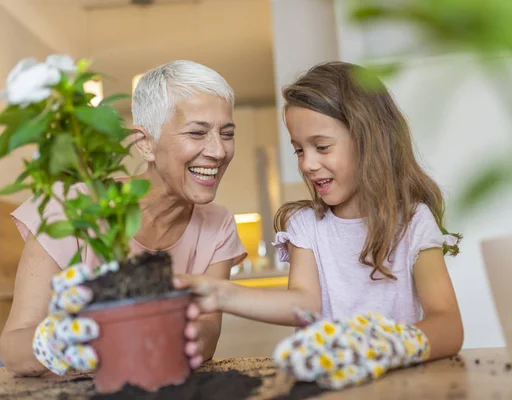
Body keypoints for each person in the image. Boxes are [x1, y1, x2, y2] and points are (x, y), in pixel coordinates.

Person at [175, 61, 464, 388]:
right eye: (299, 150)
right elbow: (304, 304)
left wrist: (381, 348)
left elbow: (449, 325)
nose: (308, 164)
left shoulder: (413, 222)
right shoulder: (305, 226)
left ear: (370, 139)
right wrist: (220, 293)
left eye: (321, 147)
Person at [0, 60, 247, 376]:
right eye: (197, 132)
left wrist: (186, 338)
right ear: (145, 144)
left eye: (227, 133)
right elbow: (14, 348)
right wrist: (72, 340)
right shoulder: (71, 208)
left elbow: (209, 328)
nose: (218, 150)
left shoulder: (219, 225)